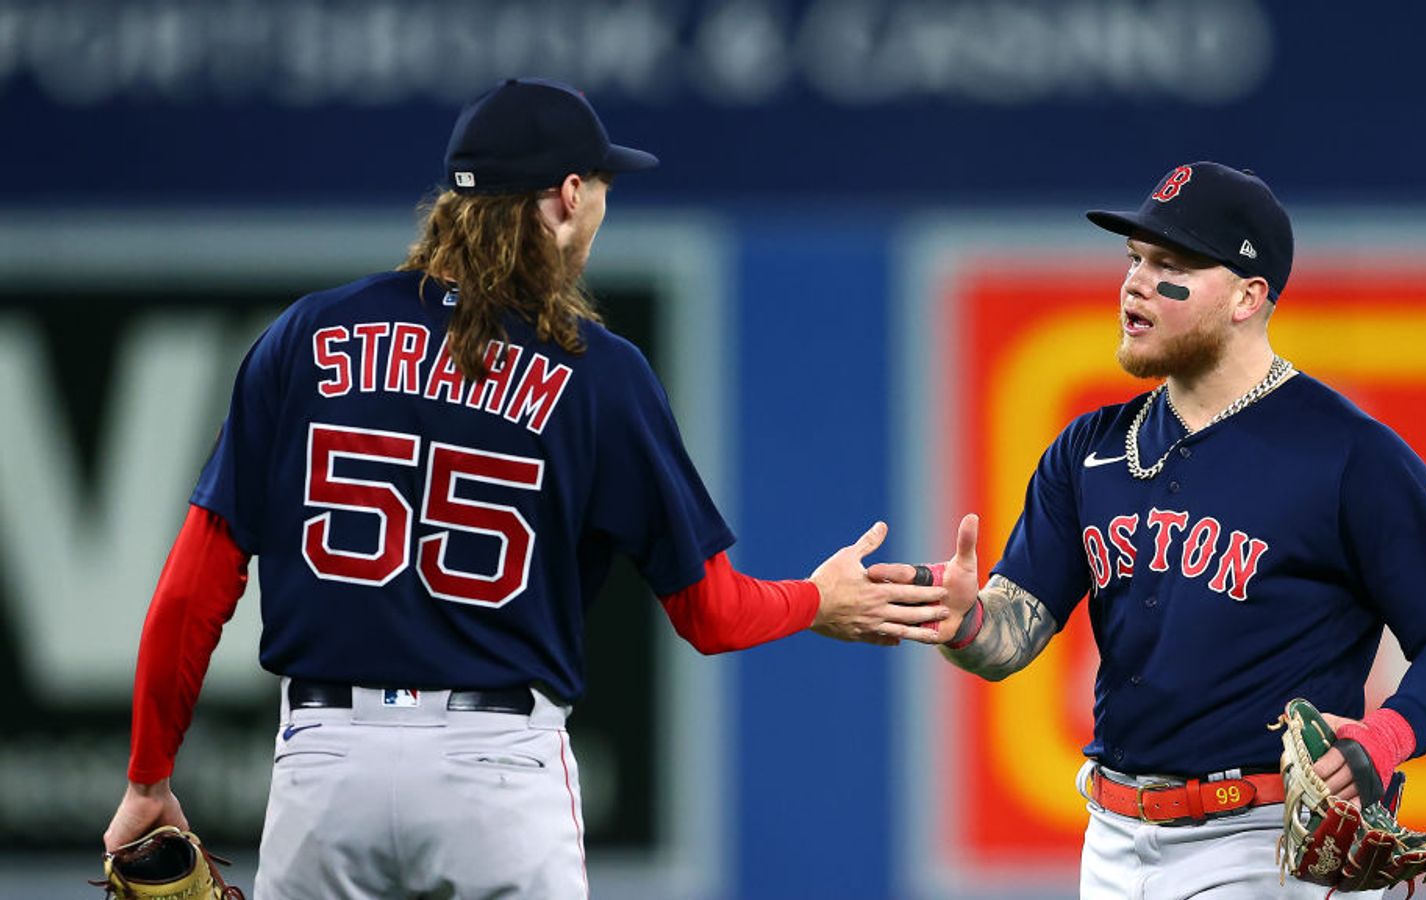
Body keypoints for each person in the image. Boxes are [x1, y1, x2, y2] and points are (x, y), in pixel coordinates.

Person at [101, 77, 949, 898]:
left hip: (326, 766)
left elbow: (192, 591)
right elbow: (713, 616)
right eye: (605, 186)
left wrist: (148, 778)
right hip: (497, 771)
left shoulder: (307, 335)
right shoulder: (599, 374)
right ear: (569, 195)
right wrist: (816, 599)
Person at [876, 162, 1426, 898]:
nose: (1135, 283)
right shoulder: (1090, 450)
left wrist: (1387, 737)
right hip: (1110, 837)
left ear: (1246, 296)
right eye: (1134, 259)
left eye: (1171, 265)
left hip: (1262, 843)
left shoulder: (1348, 456)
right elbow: (1012, 633)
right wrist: (963, 621)